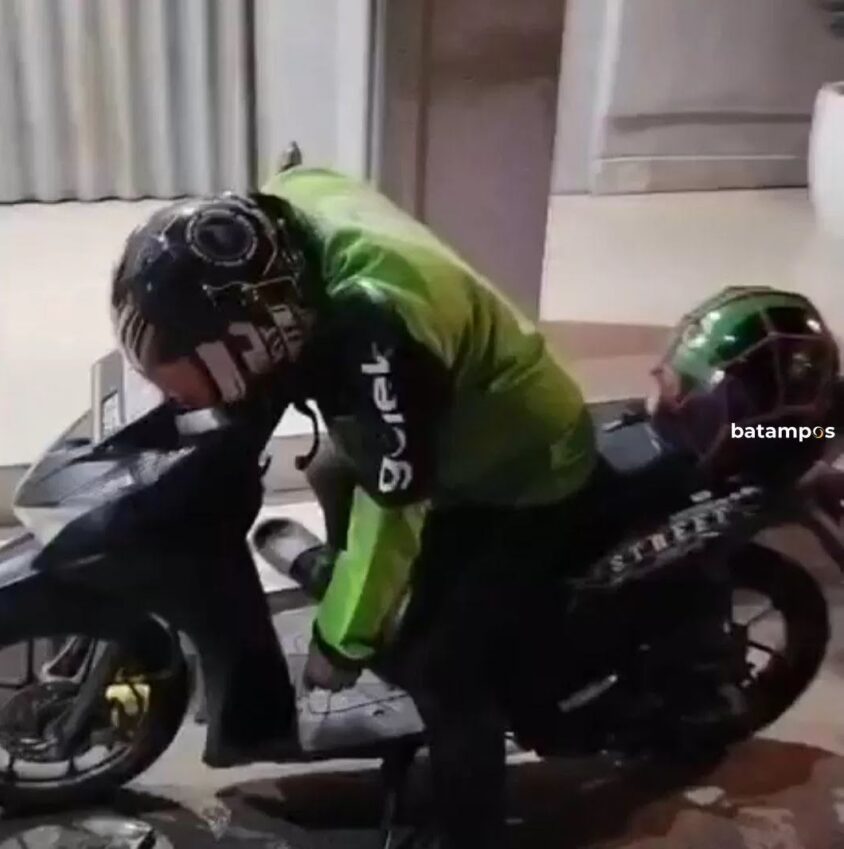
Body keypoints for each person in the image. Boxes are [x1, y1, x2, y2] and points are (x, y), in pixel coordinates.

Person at [109, 152, 839, 845]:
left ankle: (472, 832)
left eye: (183, 373)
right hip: (469, 414)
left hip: (519, 471)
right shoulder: (287, 217)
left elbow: (396, 499)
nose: (175, 390)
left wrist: (342, 640)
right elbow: (299, 178)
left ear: (254, 338)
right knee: (333, 468)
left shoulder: (380, 336)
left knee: (444, 668)